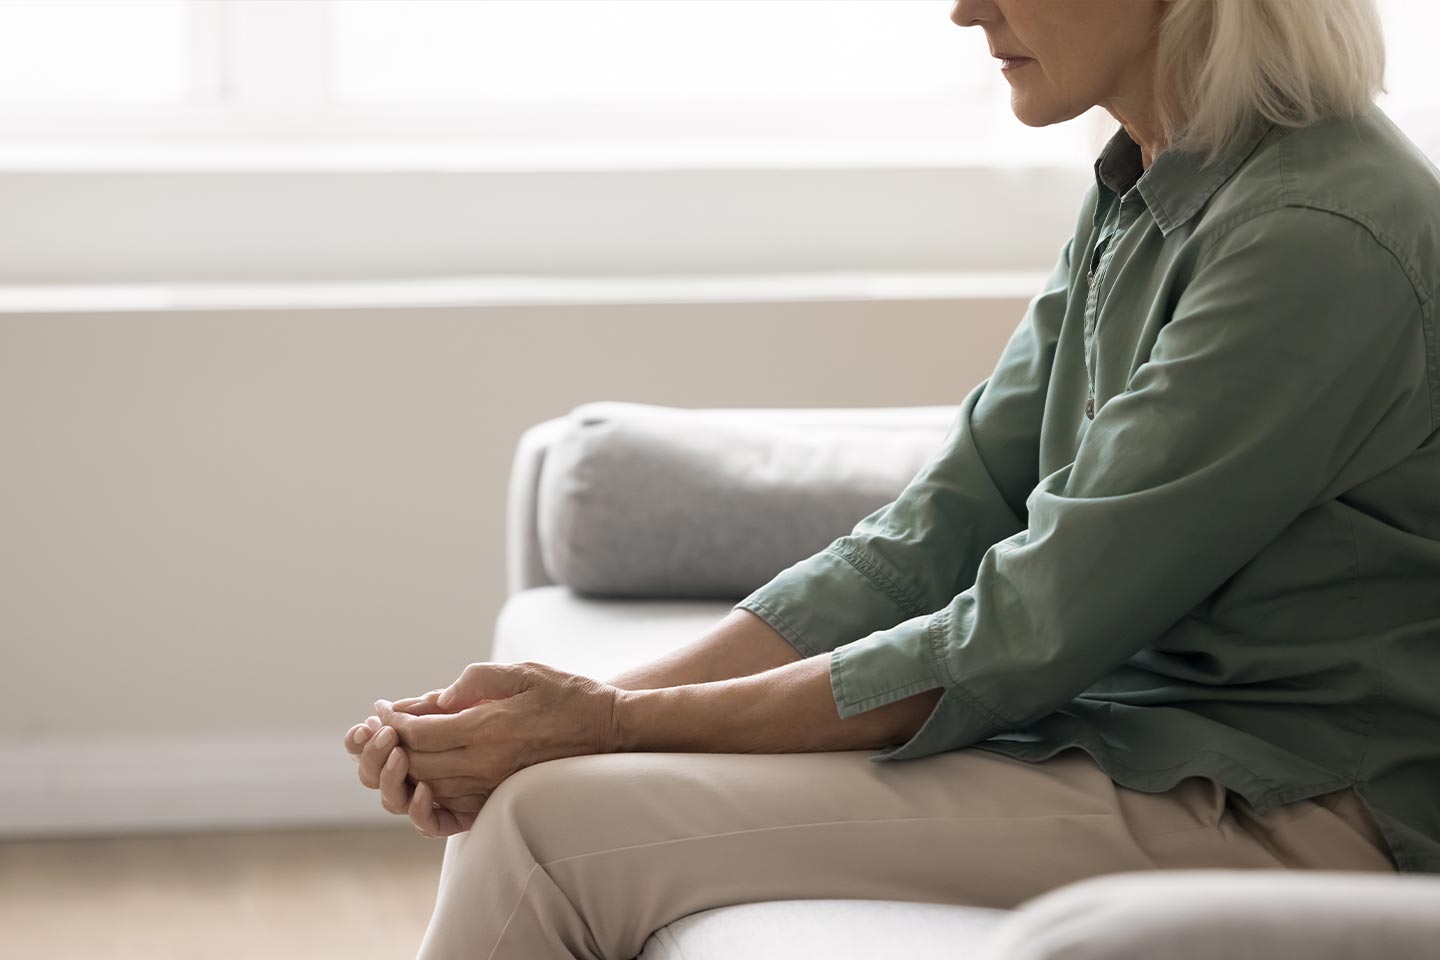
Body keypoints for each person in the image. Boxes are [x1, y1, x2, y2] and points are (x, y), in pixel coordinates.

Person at [346, 1, 1440, 956]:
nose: (965, 12)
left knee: (553, 829)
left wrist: (613, 725)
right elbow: (937, 528)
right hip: (1137, 743)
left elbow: (1028, 631)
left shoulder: (1313, 238)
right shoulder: (1150, 180)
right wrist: (589, 709)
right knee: (546, 792)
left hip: (1295, 808)